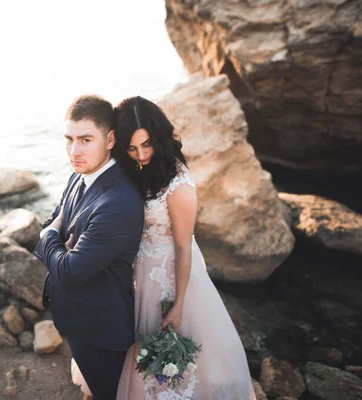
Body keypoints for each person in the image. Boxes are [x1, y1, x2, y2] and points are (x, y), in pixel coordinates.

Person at [72, 96, 256, 399]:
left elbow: (184, 246)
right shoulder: (130, 169)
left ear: (158, 136)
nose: (141, 154)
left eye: (146, 145)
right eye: (131, 148)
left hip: (170, 276)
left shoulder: (177, 182)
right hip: (136, 271)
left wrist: (179, 304)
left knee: (173, 353)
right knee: (134, 344)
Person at [33, 95, 144, 400]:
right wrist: (52, 231)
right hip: (76, 317)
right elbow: (55, 217)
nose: (74, 150)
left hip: (100, 329)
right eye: (68, 139)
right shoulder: (78, 175)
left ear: (110, 139)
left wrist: (46, 237)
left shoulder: (117, 203)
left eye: (85, 139)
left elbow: (69, 271)